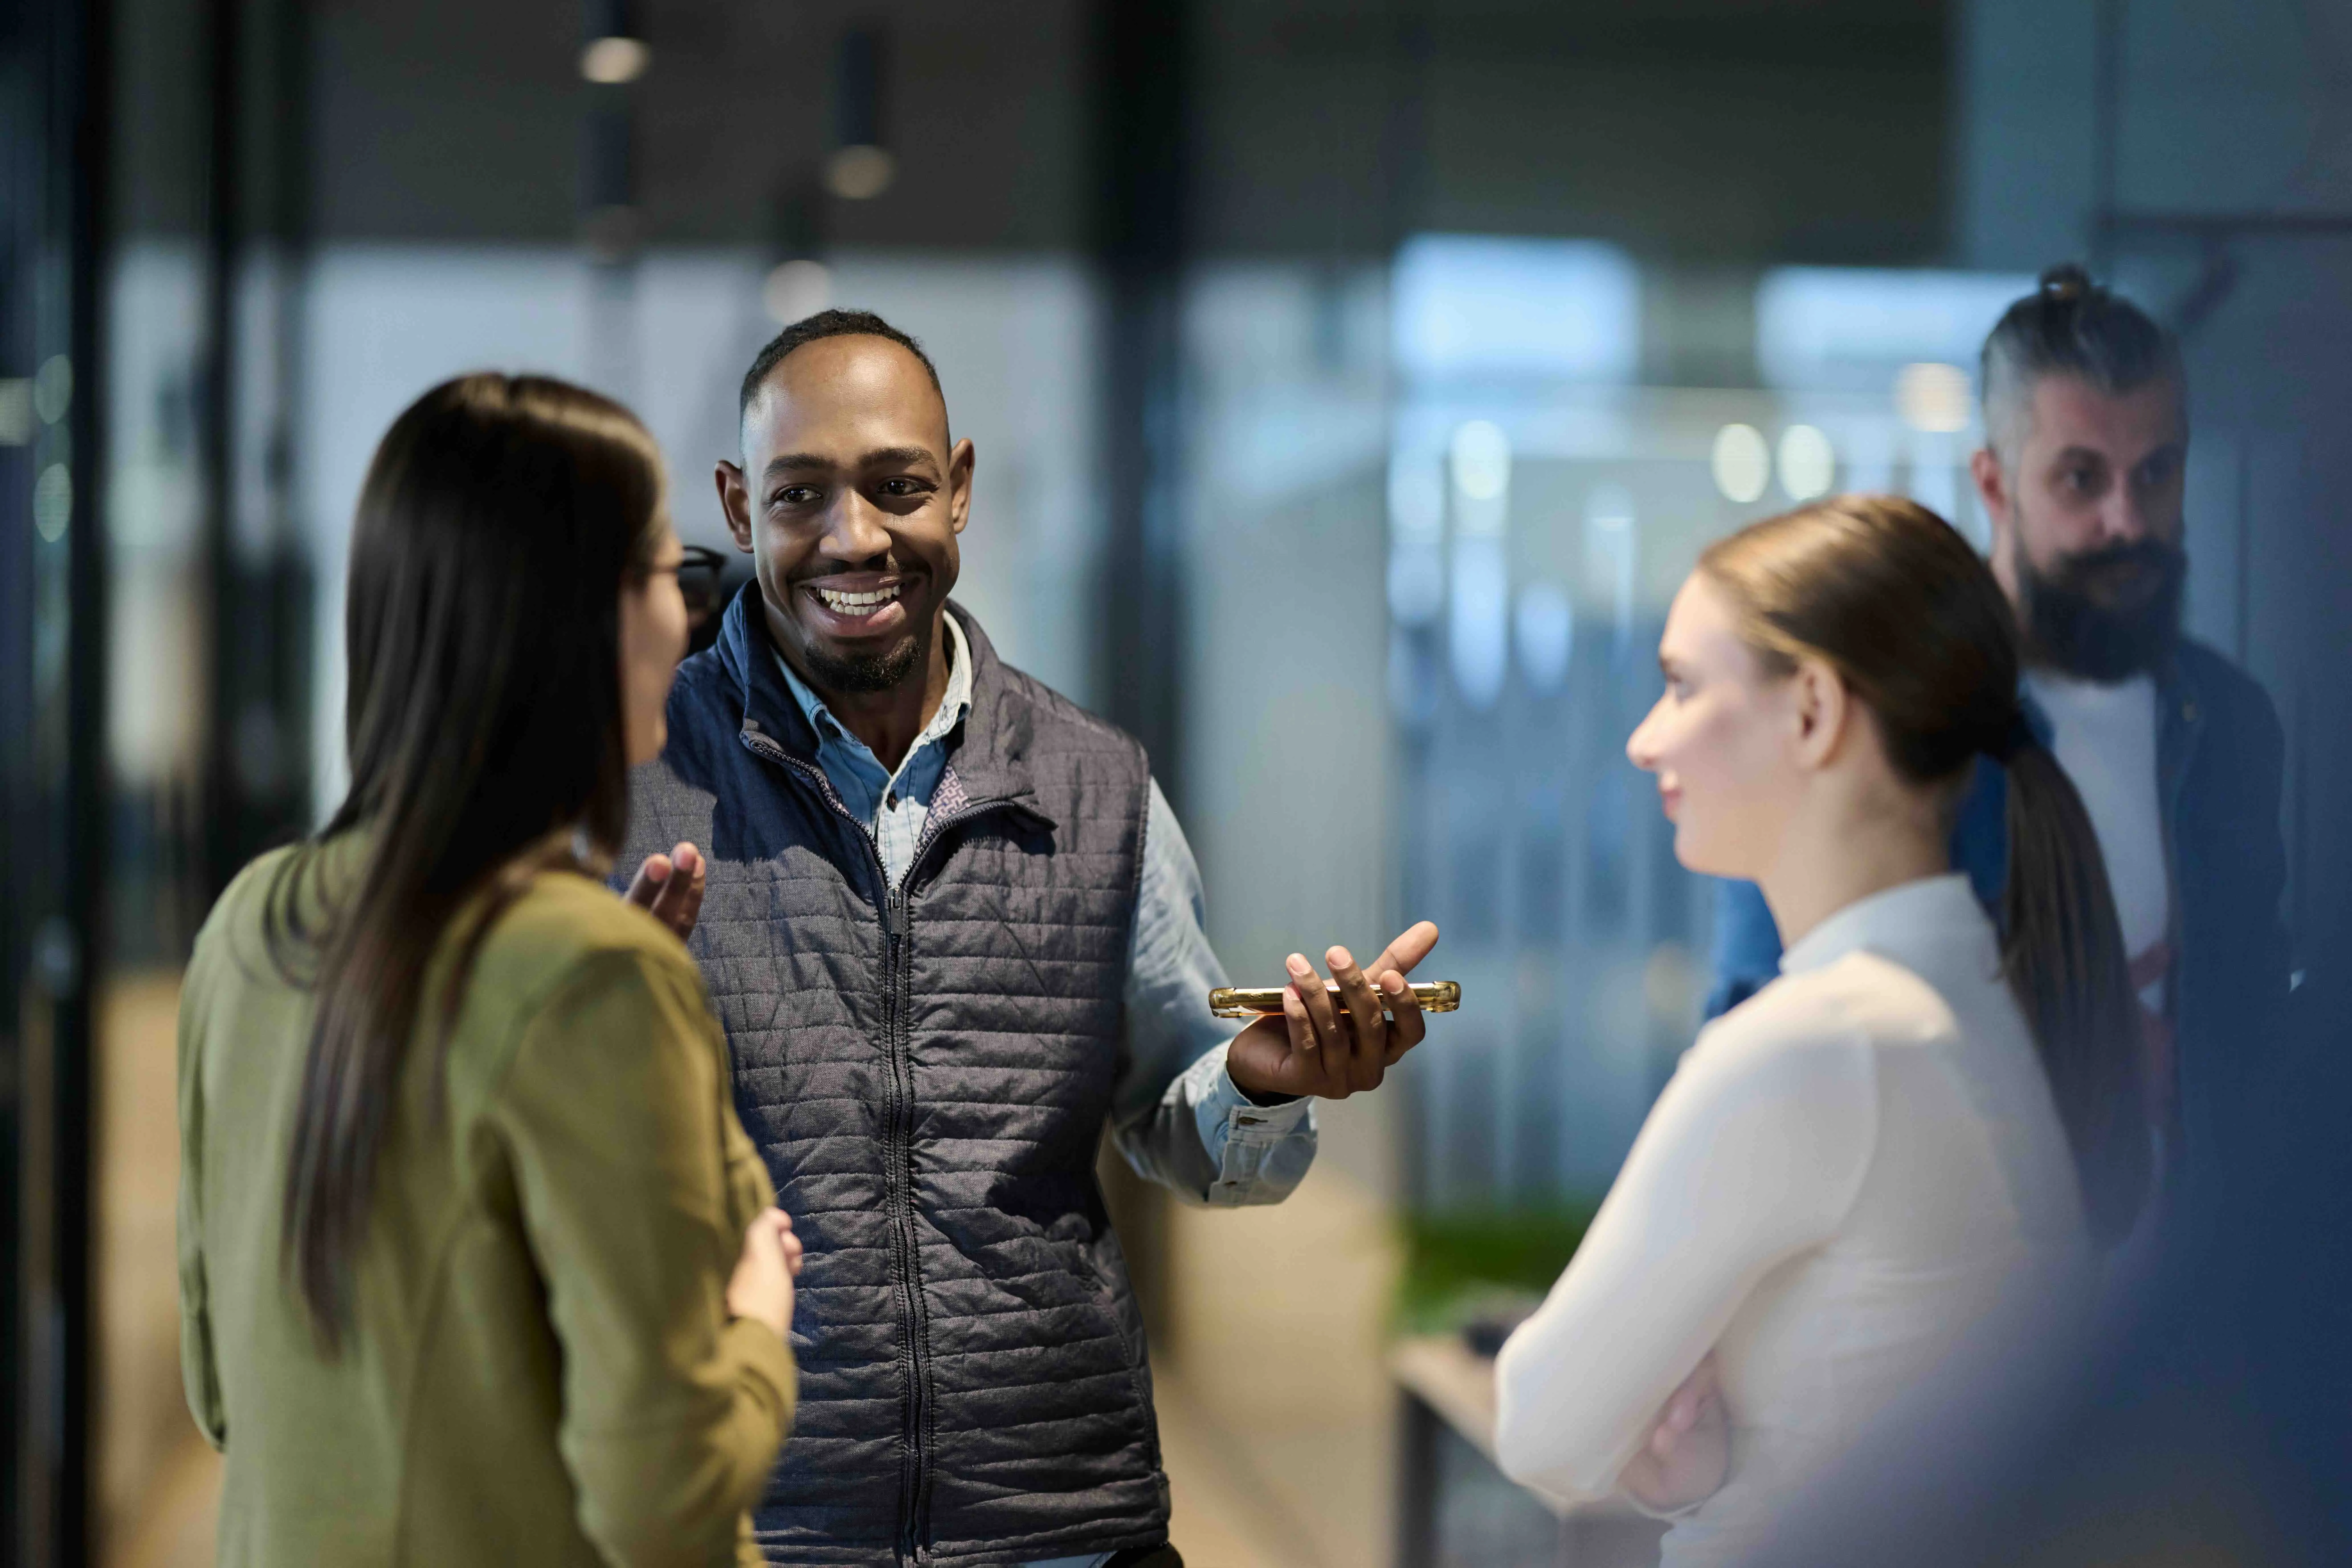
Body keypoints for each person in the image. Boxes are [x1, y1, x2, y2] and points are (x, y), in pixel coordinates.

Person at [618, 308, 1442, 1568]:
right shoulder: (628, 777)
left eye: (897, 486)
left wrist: (1263, 1082)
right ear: (739, 505)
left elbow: (1189, 1127)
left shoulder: (1095, 783)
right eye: (801, 494)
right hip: (745, 1523)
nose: (854, 538)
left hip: (1063, 1525)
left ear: (958, 490)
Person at [176, 375, 801, 1567]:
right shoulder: (590, 976)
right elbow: (664, 1499)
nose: (687, 620)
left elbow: (227, 1390)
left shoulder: (244, 927)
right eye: (672, 576)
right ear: (584, 619)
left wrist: (605, 1000)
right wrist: (761, 1315)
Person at [1492, 497, 2147, 1566]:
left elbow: (1541, 1428)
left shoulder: (1815, 1044)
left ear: (1811, 713)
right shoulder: (1984, 999)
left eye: (1683, 686)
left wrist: (1649, 1421)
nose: (1644, 737)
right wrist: (1709, 1466)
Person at [1708, 265, 2292, 1189]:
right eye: (2080, 479)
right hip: (1950, 1288)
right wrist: (2060, 1042)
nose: (2127, 520)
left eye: (2156, 472)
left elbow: (2256, 1011)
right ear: (1993, 482)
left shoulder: (2228, 724)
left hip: (2177, 1296)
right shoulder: (1872, 708)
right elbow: (1754, 1034)